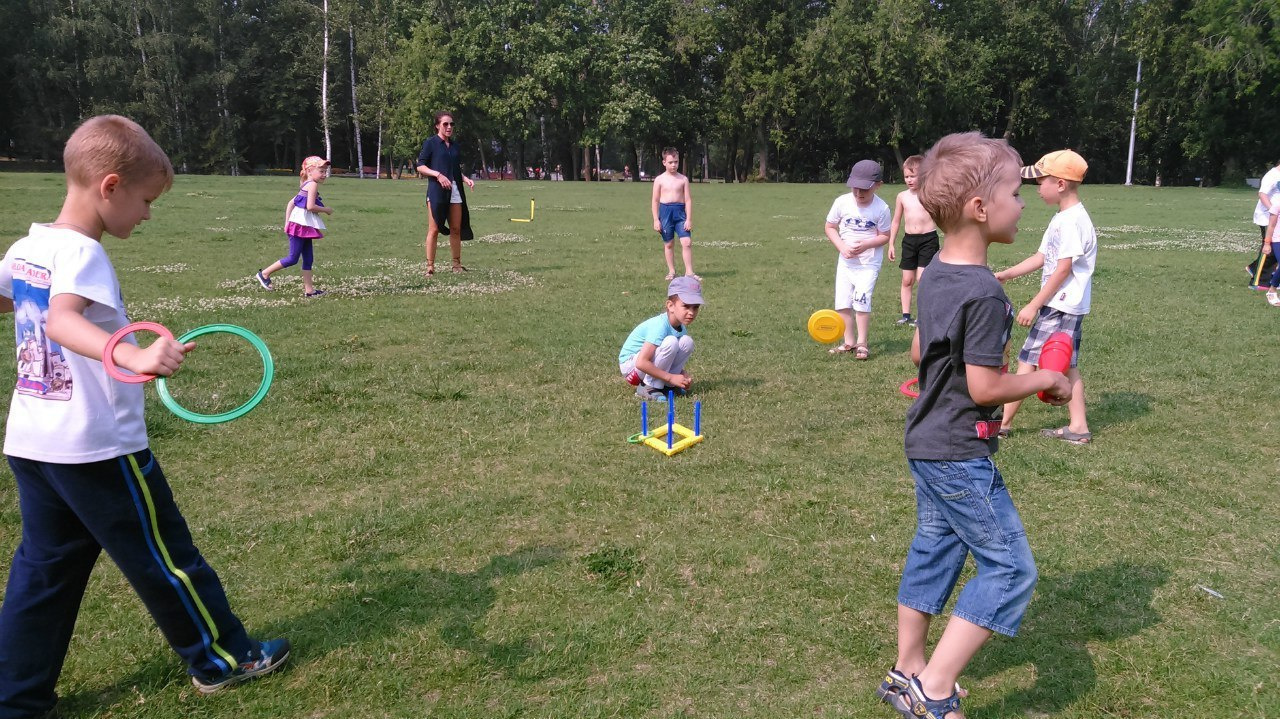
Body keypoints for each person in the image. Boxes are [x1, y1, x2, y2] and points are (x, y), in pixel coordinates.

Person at [0, 115, 290, 718]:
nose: (148, 215)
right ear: (109, 187)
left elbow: (14, 303)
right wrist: (132, 353)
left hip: (33, 444)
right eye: (146, 201)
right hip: (97, 448)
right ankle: (223, 659)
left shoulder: (28, 247)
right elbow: (60, 321)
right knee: (166, 558)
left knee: (43, 571)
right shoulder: (83, 253)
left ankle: (16, 697)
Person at [881, 131, 1072, 719]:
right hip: (961, 451)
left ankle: (905, 669)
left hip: (926, 441)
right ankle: (932, 690)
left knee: (935, 547)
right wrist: (1043, 380)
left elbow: (920, 352)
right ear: (980, 209)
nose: (1023, 203)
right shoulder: (987, 294)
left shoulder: (937, 271)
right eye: (1016, 192)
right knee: (1010, 568)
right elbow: (986, 387)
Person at [993, 149, 1096, 444]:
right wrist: (1006, 274)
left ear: (1060, 184)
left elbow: (1063, 269)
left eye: (1042, 182)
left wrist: (1035, 304)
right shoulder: (1062, 217)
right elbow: (1043, 257)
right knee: (1068, 367)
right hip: (1065, 305)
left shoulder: (1071, 221)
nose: (1037, 188)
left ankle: (1003, 424)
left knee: (1027, 360)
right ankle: (1078, 427)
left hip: (1060, 306)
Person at [824, 159, 891, 359]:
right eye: (855, 189)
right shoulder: (842, 202)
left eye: (865, 190)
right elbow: (829, 227)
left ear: (878, 185)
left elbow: (884, 236)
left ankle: (862, 343)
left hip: (868, 264)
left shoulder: (882, 208)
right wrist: (842, 247)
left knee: (861, 300)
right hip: (846, 262)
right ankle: (849, 342)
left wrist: (865, 245)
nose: (859, 194)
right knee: (843, 302)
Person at [256, 155, 333, 297]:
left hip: (302, 226)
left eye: (325, 171)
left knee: (308, 259)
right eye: (321, 171)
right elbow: (310, 207)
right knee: (292, 258)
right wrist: (326, 210)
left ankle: (310, 291)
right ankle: (264, 273)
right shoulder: (312, 185)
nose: (324, 174)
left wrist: (287, 222)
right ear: (310, 171)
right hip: (299, 226)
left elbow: (291, 203)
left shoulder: (306, 184)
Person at [618, 276, 703, 401]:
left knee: (687, 342)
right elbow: (641, 362)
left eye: (695, 307)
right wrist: (671, 377)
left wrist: (681, 375)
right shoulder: (660, 326)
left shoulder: (680, 327)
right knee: (671, 342)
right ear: (670, 306)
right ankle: (648, 386)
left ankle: (669, 387)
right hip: (632, 367)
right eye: (686, 306)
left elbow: (667, 356)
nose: (691, 312)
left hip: (645, 364)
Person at [415, 110, 475, 277]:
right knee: (433, 229)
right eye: (445, 124)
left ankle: (456, 264)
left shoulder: (455, 146)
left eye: (451, 124)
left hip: (455, 191)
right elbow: (420, 166)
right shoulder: (431, 143)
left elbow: (454, 169)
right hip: (437, 192)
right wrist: (438, 175)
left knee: (456, 228)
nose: (449, 127)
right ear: (437, 126)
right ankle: (430, 267)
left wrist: (465, 179)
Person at [887, 155, 940, 328]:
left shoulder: (930, 193)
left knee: (922, 279)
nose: (909, 180)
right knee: (907, 280)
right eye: (906, 176)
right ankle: (906, 315)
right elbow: (896, 221)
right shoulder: (902, 196)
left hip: (928, 240)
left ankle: (923, 316)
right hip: (909, 241)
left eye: (913, 176)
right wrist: (891, 244)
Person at [651, 148, 698, 281]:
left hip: (680, 213)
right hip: (665, 213)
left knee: (687, 242)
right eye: (671, 162)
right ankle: (672, 271)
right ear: (664, 162)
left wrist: (689, 218)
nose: (674, 165)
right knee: (669, 244)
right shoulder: (659, 180)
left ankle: (689, 272)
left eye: (676, 162)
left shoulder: (683, 179)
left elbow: (688, 199)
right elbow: (655, 200)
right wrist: (656, 219)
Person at [1247, 159, 1280, 288]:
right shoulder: (1272, 175)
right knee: (1269, 247)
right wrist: (1273, 210)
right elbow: (1262, 194)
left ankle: (1254, 268)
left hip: (1277, 217)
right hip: (1267, 216)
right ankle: (1258, 281)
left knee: (1275, 249)